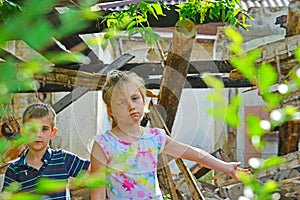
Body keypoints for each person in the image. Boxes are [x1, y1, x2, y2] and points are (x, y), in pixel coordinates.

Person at [90, 70, 250, 200]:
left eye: (135, 98)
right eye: (121, 102)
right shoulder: (103, 145)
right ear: (110, 110)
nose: (131, 106)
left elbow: (194, 154)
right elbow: (97, 194)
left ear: (143, 101)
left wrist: (226, 167)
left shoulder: (154, 137)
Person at [2, 103, 90, 199]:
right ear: (23, 132)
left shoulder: (63, 159)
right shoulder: (14, 170)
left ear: (53, 132)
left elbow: (97, 171)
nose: (38, 134)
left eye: (44, 129)